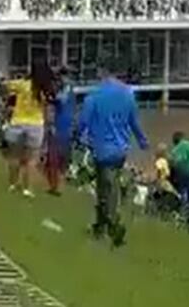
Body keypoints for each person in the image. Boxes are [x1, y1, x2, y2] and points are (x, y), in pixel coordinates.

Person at [76, 63, 148, 247]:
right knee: (110, 185)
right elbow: (134, 122)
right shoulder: (128, 95)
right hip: (121, 150)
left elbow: (82, 123)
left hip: (102, 150)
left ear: (102, 73)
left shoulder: (94, 97)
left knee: (105, 188)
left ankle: (113, 224)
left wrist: (77, 136)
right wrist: (142, 141)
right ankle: (101, 225)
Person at [4, 59, 53, 197]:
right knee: (31, 160)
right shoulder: (45, 89)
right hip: (36, 125)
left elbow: (5, 86)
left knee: (14, 156)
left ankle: (13, 184)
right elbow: (46, 109)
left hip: (17, 123)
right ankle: (27, 188)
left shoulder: (22, 85)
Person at [44, 69, 75, 195]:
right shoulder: (67, 90)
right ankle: (55, 186)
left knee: (56, 159)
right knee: (58, 159)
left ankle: (56, 187)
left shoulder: (66, 90)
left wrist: (48, 97)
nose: (60, 80)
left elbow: (59, 101)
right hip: (64, 127)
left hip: (61, 128)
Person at [168, 131, 189, 208]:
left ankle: (184, 209)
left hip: (185, 173)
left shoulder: (177, 148)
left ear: (174, 141)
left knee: (183, 191)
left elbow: (177, 161)